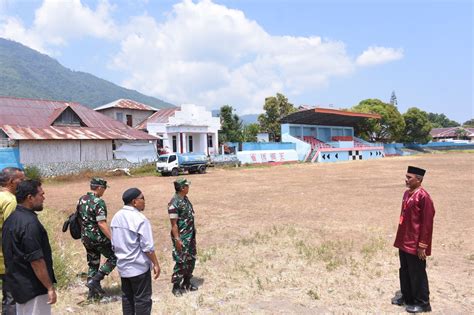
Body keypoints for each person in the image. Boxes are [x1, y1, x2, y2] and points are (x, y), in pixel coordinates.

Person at [2, 180, 56, 315]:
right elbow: (36, 260)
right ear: (30, 198)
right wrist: (49, 287)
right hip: (34, 288)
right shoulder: (29, 224)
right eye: (41, 194)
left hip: (19, 286)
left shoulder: (12, 218)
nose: (44, 198)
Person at [392, 166, 435, 313]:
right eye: (406, 176)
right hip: (404, 239)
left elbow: (427, 223)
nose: (406, 179)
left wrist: (422, 245)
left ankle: (423, 303)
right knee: (404, 270)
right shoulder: (406, 194)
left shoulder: (424, 197)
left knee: (417, 272)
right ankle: (407, 297)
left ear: (419, 179)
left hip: (415, 243)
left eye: (410, 177)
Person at [111, 188, 161, 315]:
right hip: (138, 268)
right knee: (142, 301)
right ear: (134, 202)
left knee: (127, 299)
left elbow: (114, 243)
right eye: (142, 198)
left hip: (123, 267)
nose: (144, 201)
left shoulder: (116, 217)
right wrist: (155, 263)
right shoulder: (140, 219)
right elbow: (147, 247)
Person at [77, 178, 117, 299]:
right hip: (97, 237)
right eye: (104, 188)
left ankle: (92, 295)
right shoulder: (98, 202)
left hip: (85, 237)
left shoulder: (81, 199)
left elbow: (78, 218)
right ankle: (96, 280)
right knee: (115, 256)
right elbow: (101, 223)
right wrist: (113, 239)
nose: (104, 191)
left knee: (93, 263)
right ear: (99, 187)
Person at [0, 167, 25, 315]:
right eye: (21, 180)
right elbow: (13, 232)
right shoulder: (10, 201)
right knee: (11, 298)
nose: (23, 183)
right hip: (6, 259)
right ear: (11, 182)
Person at [167, 178, 198, 296]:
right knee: (181, 261)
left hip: (190, 236)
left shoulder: (185, 199)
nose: (188, 187)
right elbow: (173, 224)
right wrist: (177, 239)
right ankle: (176, 286)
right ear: (182, 188)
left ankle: (187, 282)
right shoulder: (174, 203)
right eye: (187, 186)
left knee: (191, 259)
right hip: (182, 237)